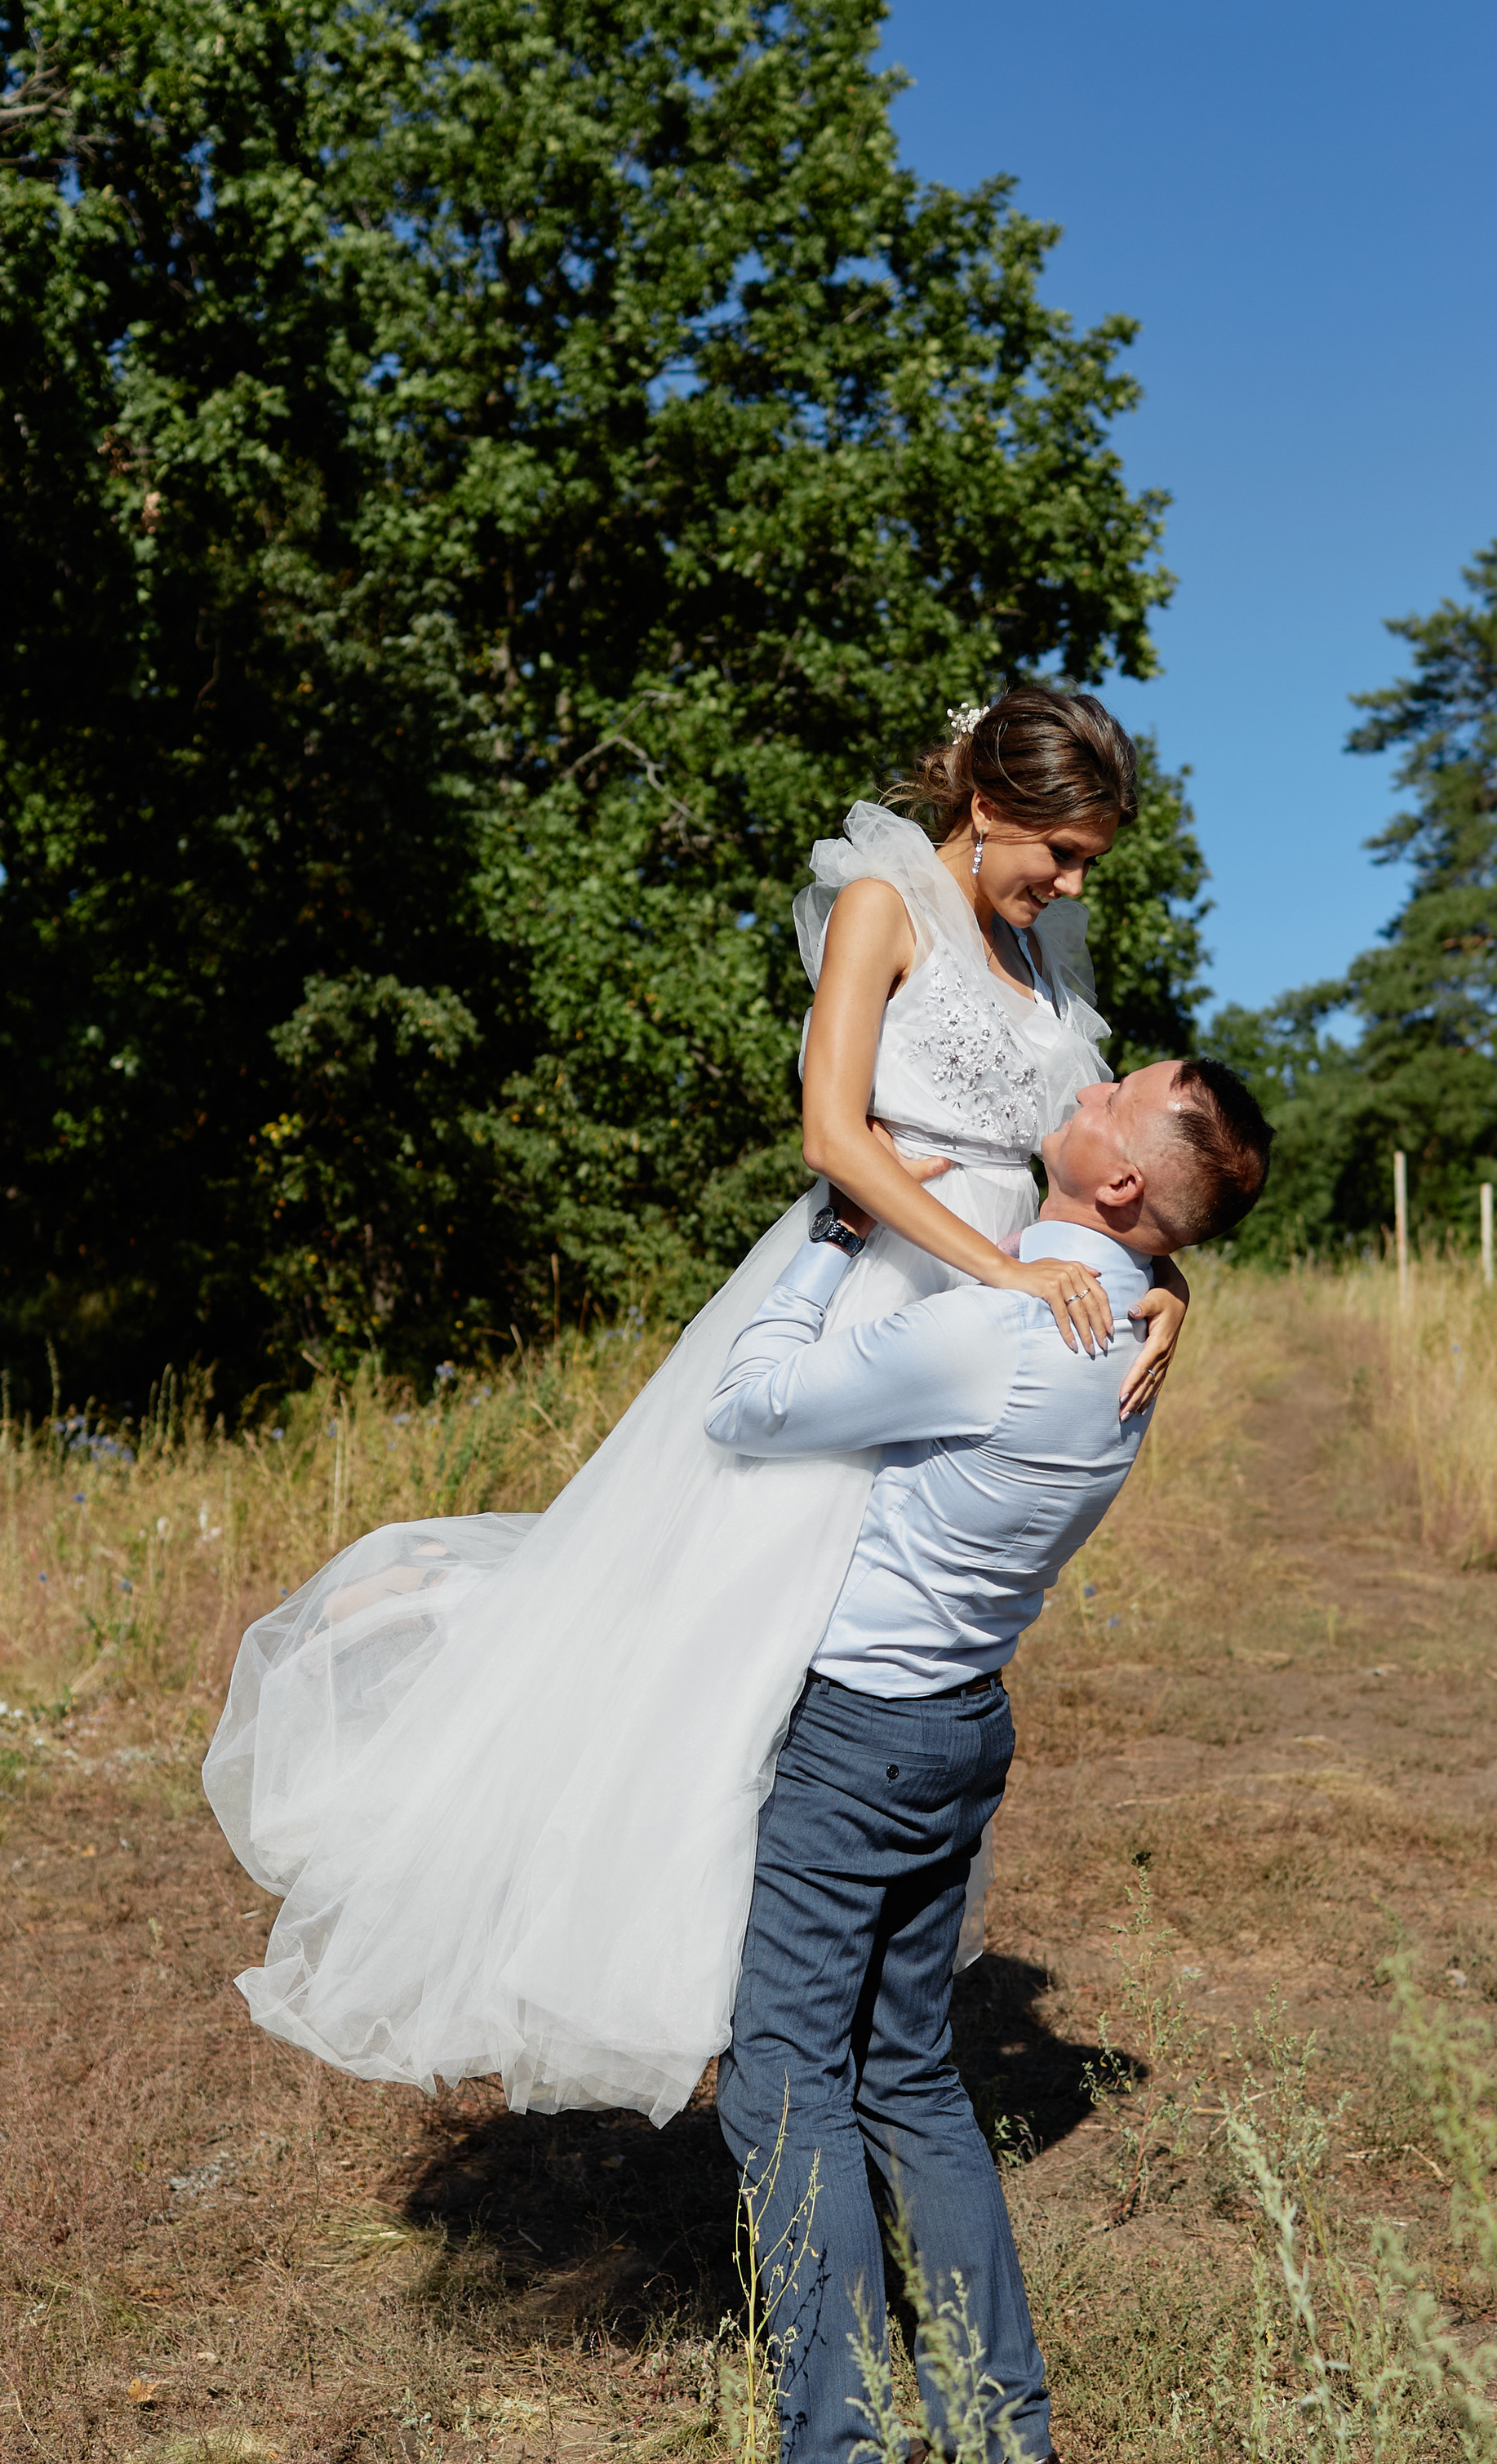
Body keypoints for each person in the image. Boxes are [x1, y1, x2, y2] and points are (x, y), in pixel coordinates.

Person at [203, 683, 1193, 2129]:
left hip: (995, 1316)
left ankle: (807, 1985)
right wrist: (1006, 1277)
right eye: (1062, 849)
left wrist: (1159, 1284)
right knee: (718, 1626)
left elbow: (1120, 1161)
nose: (1074, 883)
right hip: (878, 1281)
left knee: (868, 1649)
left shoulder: (1046, 956)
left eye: (1090, 859)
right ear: (987, 808)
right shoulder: (880, 905)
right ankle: (653, 1952)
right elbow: (830, 1129)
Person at [704, 1052, 1272, 2464]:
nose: (1092, 1078)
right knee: (907, 2079)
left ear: (1112, 1185)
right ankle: (1005, 2450)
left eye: (1127, 1089)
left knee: (783, 2092)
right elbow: (1145, 1263)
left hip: (856, 1736)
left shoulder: (1013, 1321)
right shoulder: (1126, 1327)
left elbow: (747, 1413)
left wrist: (821, 1242)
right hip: (956, 1731)